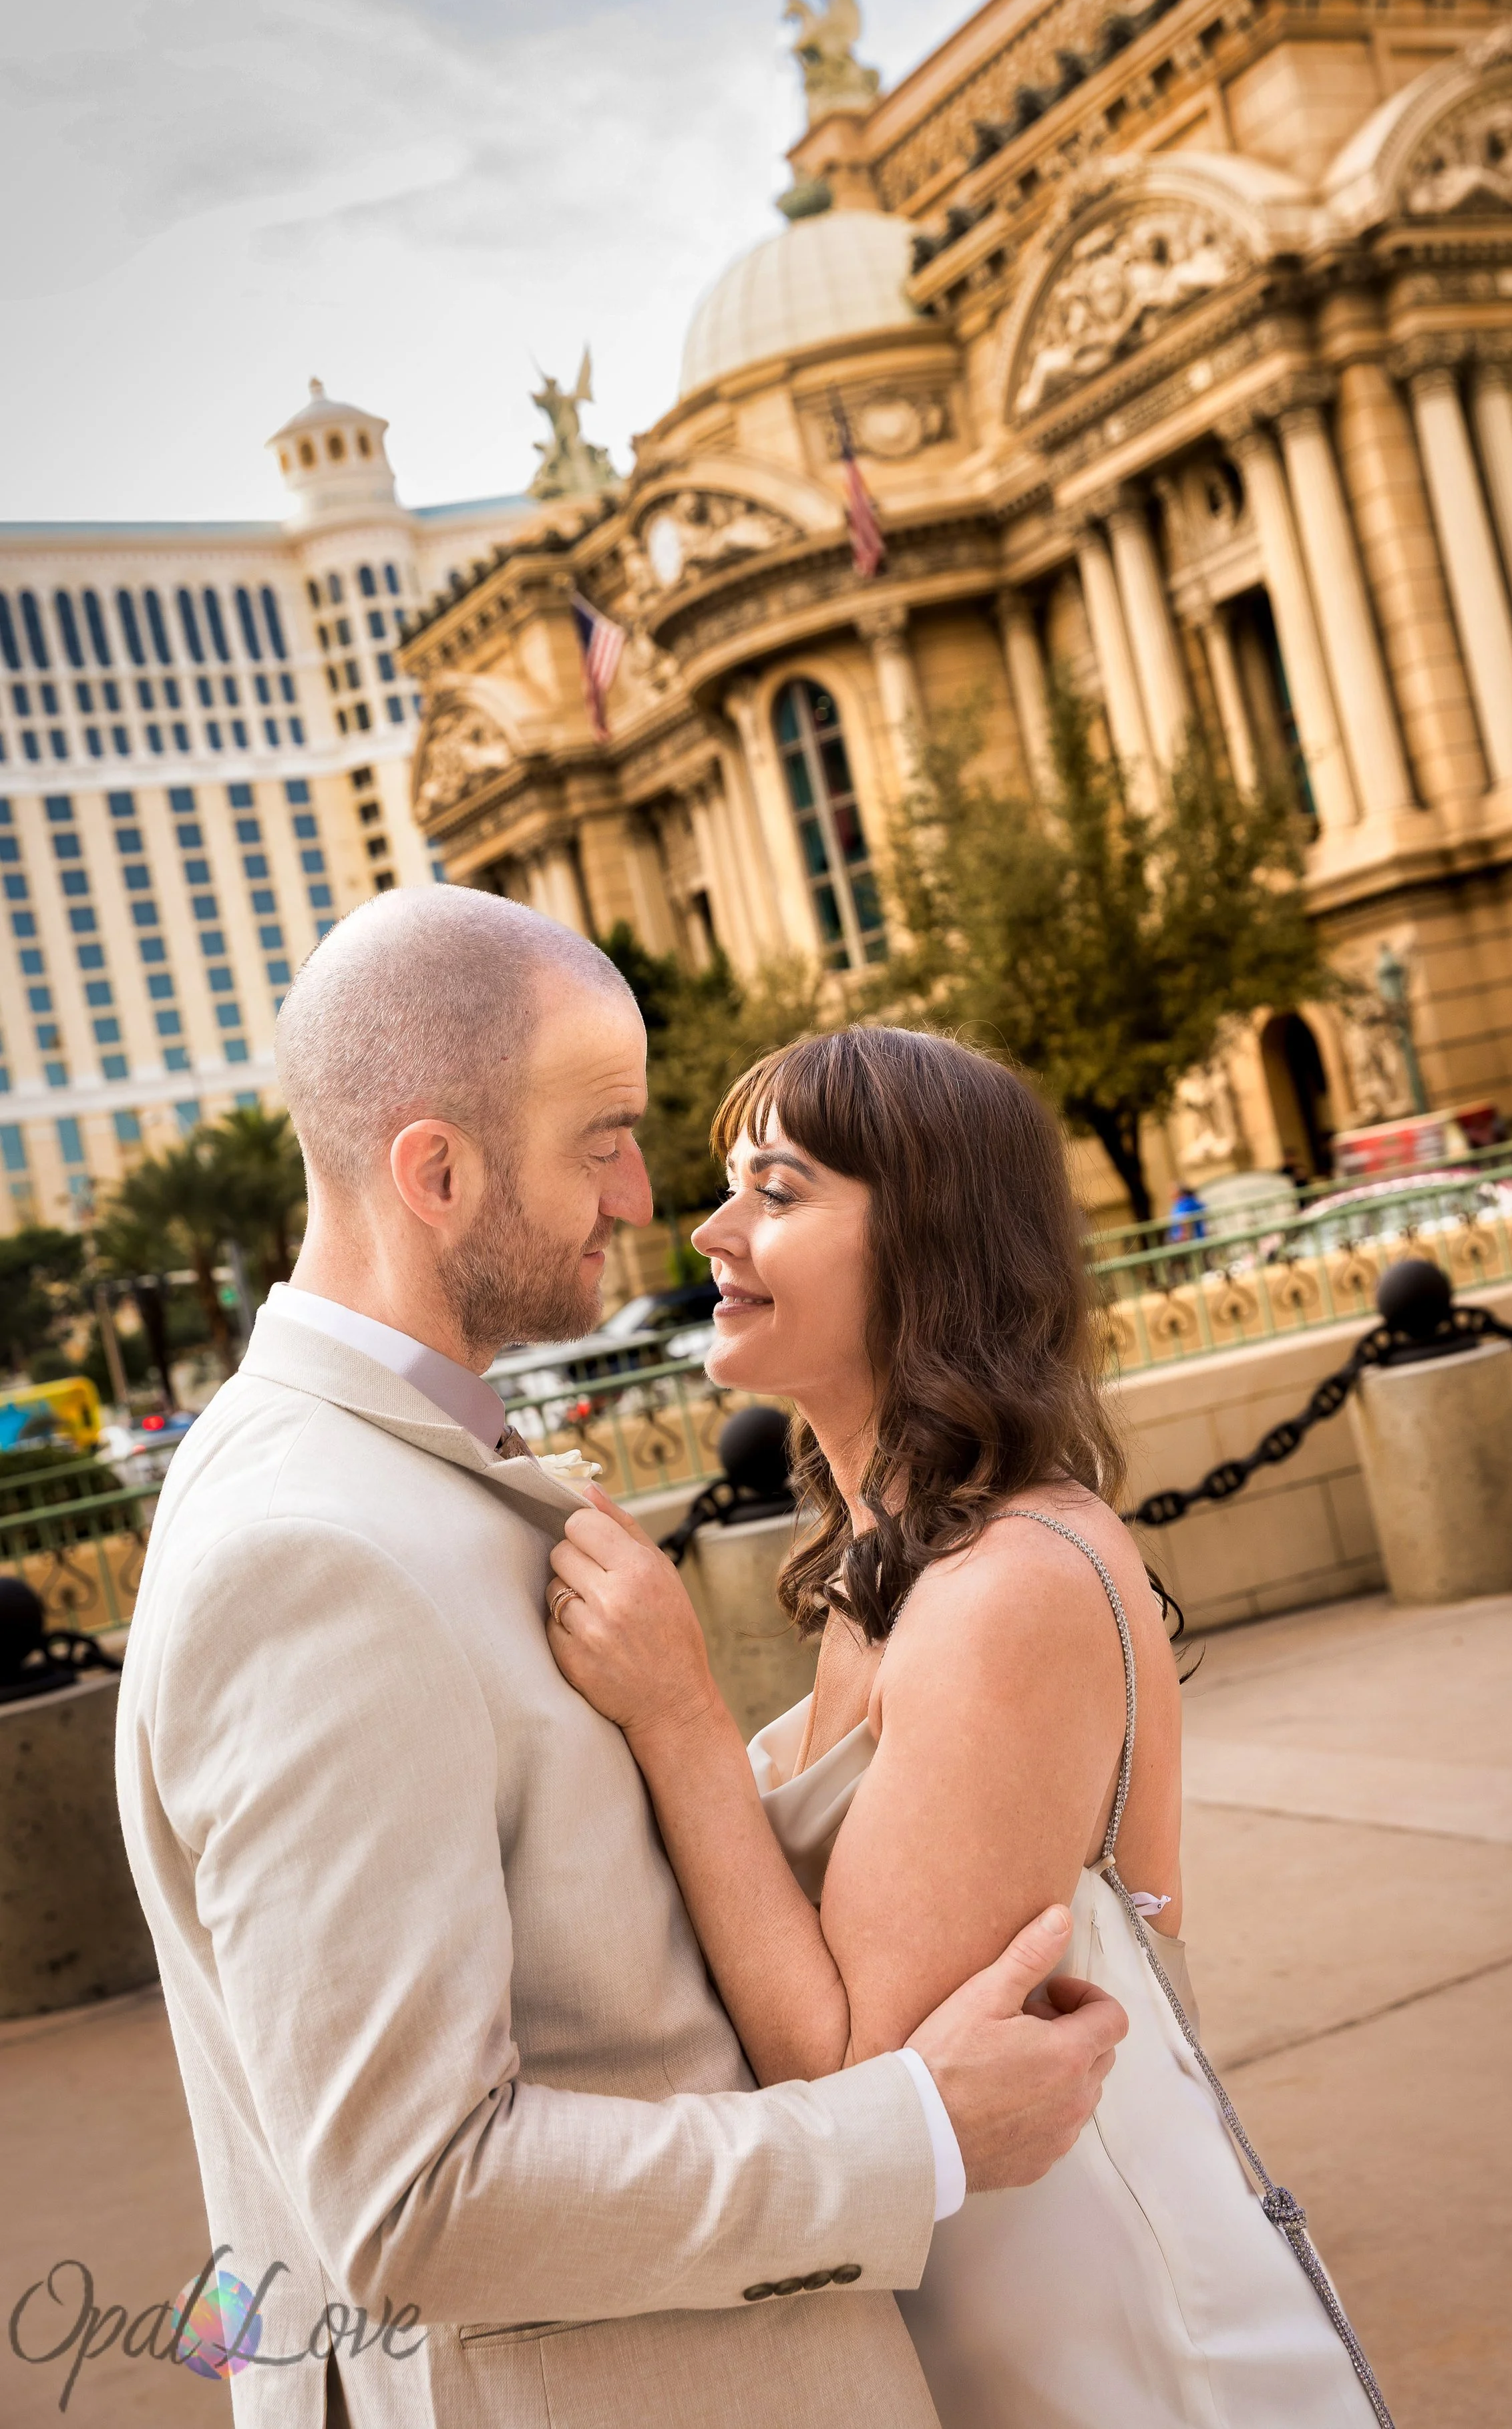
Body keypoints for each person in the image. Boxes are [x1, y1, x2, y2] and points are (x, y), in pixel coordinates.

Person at [114, 892, 1130, 2429]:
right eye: (601, 1140)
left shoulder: (382, 1472)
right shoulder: (310, 1548)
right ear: (435, 1173)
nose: (646, 1198)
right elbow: (414, 2203)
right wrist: (915, 2133)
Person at [547, 1024, 1390, 2429]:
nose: (708, 1229)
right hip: (981, 2338)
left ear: (926, 1243)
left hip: (1119, 2358)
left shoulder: (1007, 1588)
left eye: (778, 1191)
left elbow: (860, 2089)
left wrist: (679, 1715)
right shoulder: (895, 1567)